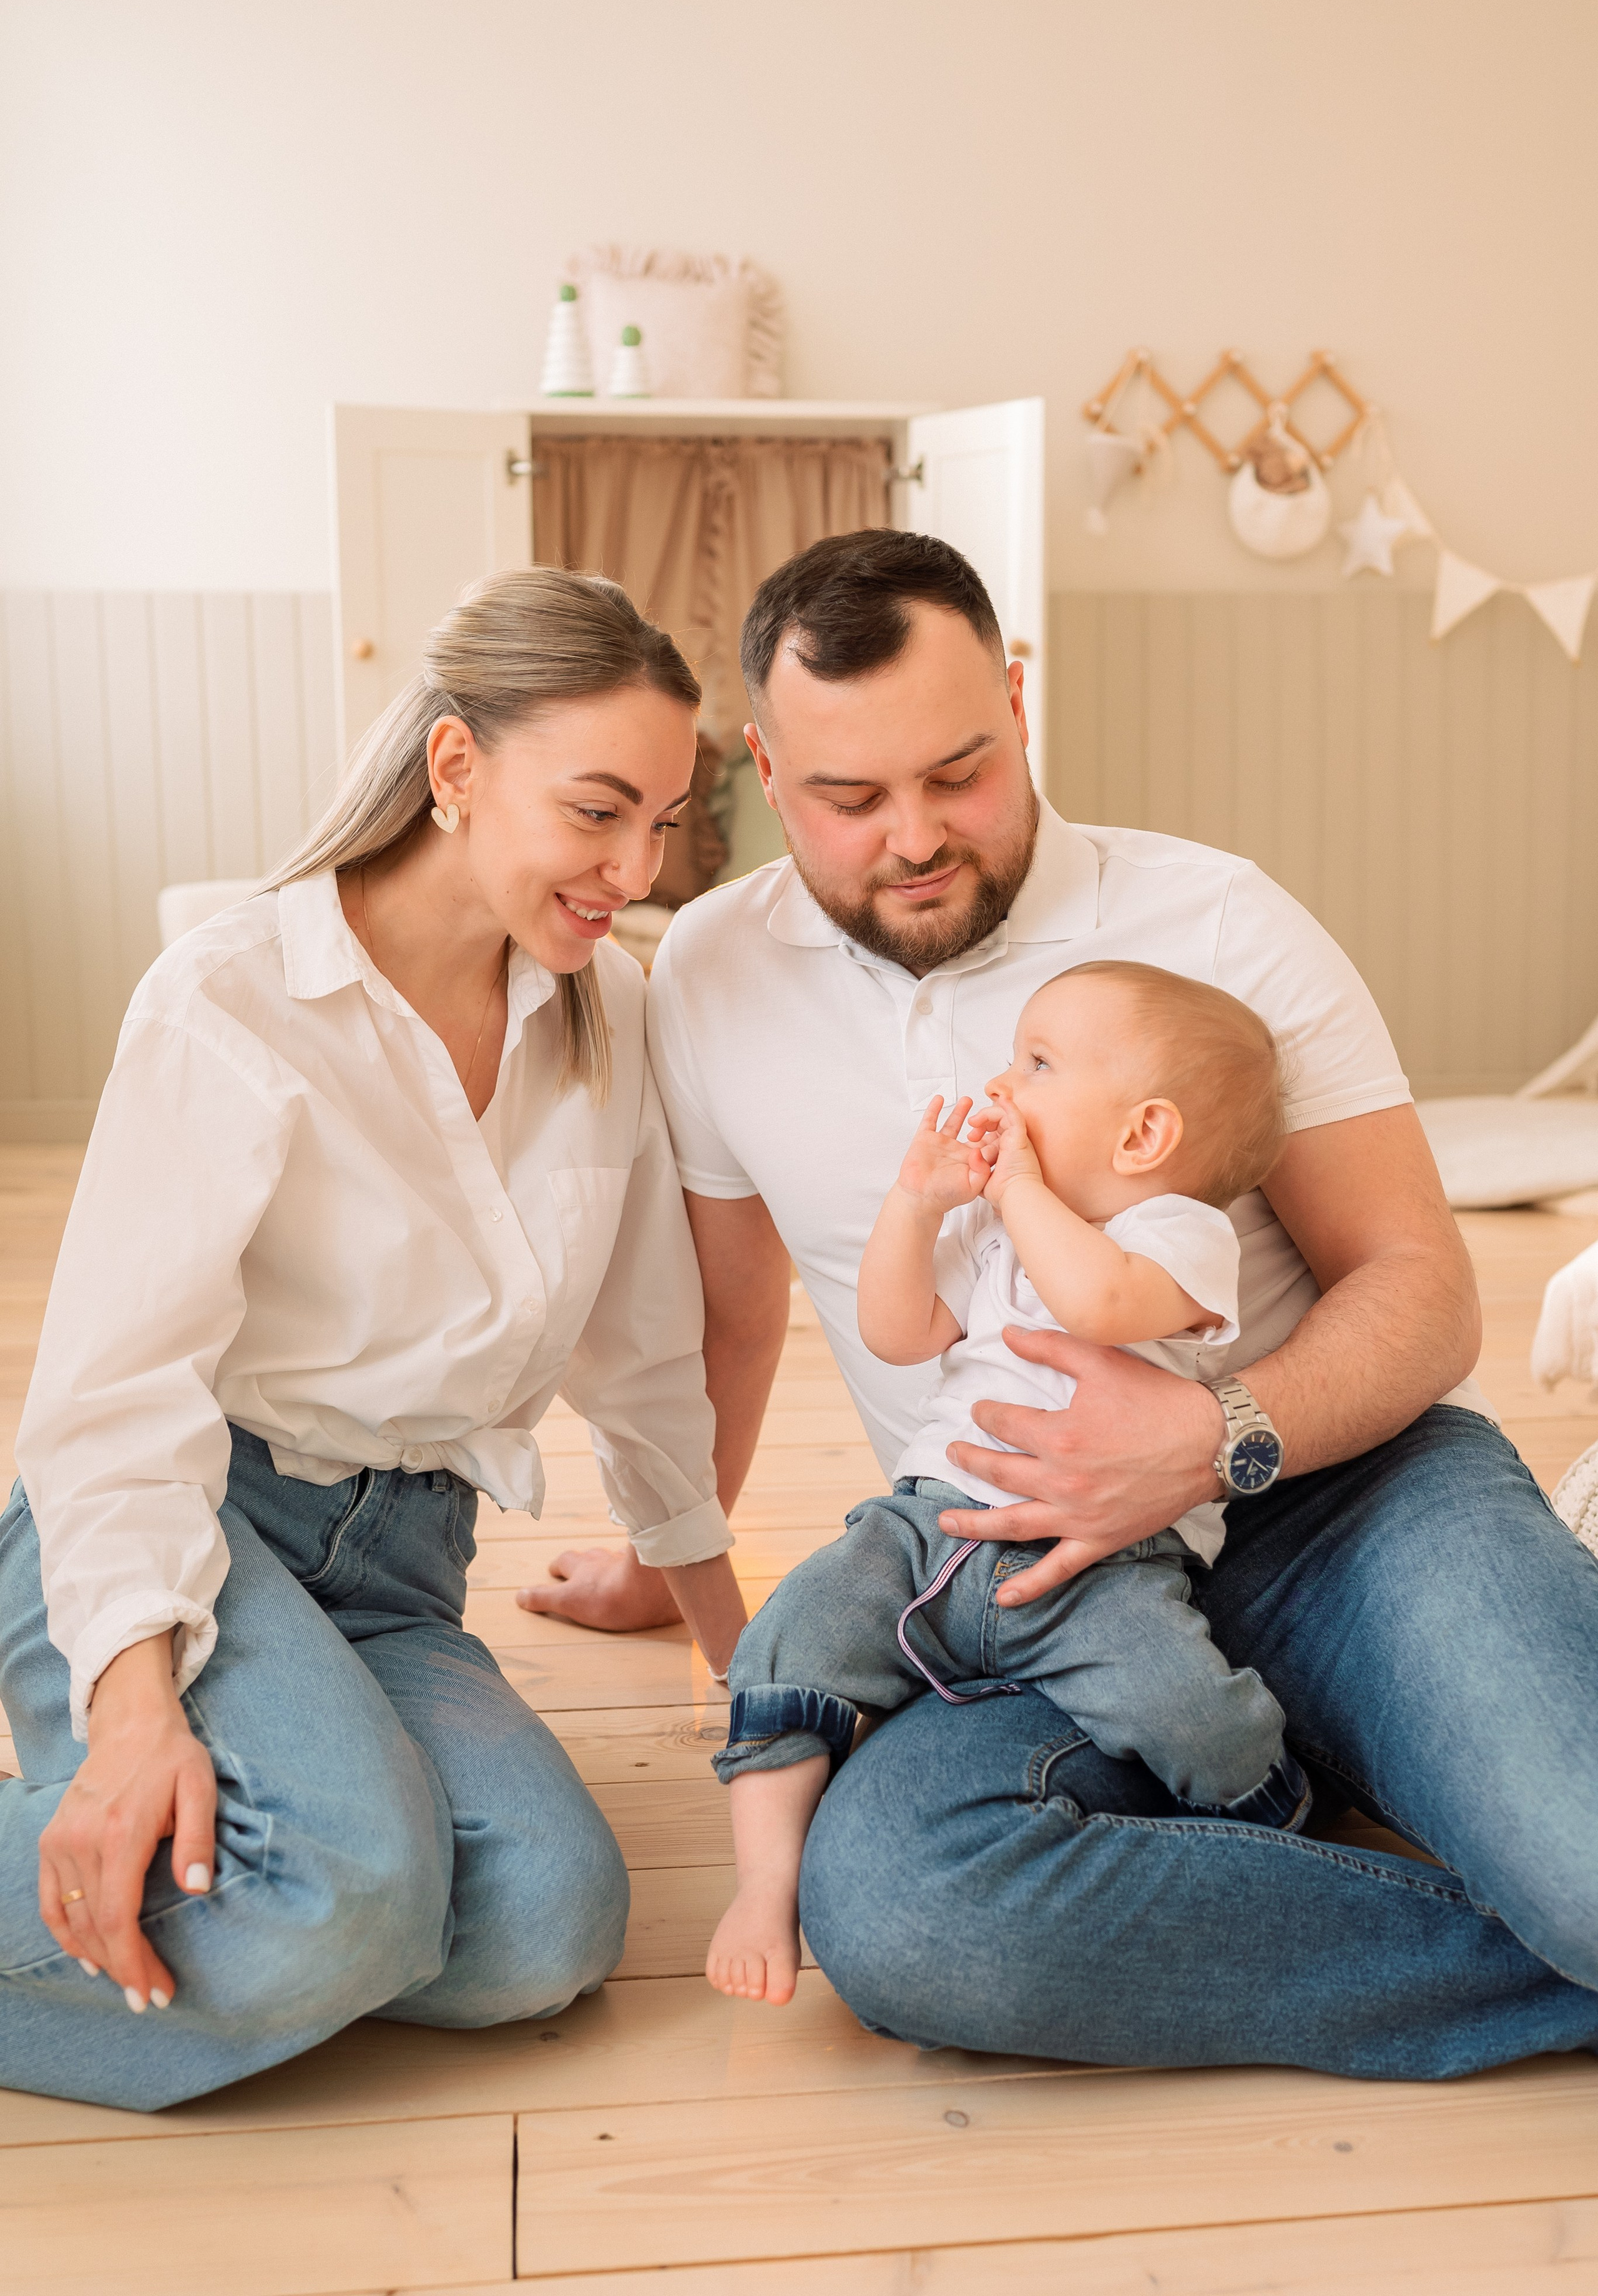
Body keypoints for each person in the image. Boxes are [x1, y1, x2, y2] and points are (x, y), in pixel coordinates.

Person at [531, 527, 1598, 2078]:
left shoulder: (1217, 923)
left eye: (955, 771)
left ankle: (1512, 1858)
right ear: (763, 766)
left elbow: (1421, 1294)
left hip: (1337, 1504)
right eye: (846, 797)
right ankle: (1517, 1935)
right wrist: (664, 1553)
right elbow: (731, 1314)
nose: (912, 835)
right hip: (1015, 1580)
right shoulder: (707, 970)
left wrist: (1206, 1435)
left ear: (1016, 703)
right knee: (906, 1913)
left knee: (1583, 1859)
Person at [0, 568, 745, 2112]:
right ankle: (257, 1844)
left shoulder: (607, 1016)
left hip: (402, 1567)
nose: (634, 866)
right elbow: (111, 1397)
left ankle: (309, 1870)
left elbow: (646, 1364)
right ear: (455, 767)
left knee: (548, 1928)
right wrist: (134, 1704)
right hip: (184, 1524)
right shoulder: (235, 996)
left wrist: (744, 1664)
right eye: (597, 811)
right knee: (348, 1890)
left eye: (663, 822)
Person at [708, 961, 1307, 2007]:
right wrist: (917, 1202)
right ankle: (766, 1882)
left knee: (1182, 1706)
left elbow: (1100, 1302)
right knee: (797, 1626)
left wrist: (1019, 1188)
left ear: (1141, 1138)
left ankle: (1275, 1810)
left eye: (1037, 1064)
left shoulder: (1176, 1235)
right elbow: (899, 1333)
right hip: (932, 1524)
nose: (1002, 1082)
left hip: (1102, 1562)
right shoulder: (994, 1231)